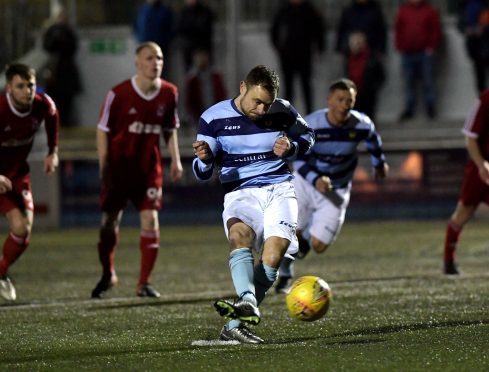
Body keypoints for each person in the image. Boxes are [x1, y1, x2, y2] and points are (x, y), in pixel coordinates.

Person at [192, 65, 314, 343]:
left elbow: (308, 137)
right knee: (239, 236)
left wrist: (292, 148)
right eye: (256, 101)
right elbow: (200, 173)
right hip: (240, 192)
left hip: (279, 189)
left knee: (273, 255)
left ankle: (234, 322)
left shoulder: (282, 110)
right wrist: (206, 159)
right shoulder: (212, 118)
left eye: (266, 104)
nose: (261, 110)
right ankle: (247, 300)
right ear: (242, 87)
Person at [275, 79, 388, 293]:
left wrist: (379, 163)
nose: (345, 105)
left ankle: (303, 240)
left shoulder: (360, 124)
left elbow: (373, 139)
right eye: (340, 100)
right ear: (329, 101)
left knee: (318, 245)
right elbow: (297, 159)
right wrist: (316, 178)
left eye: (350, 101)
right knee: (290, 231)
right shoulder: (312, 125)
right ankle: (285, 274)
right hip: (306, 183)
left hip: (337, 189)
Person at [91, 41, 183, 299]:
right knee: (109, 222)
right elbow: (103, 130)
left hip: (147, 170)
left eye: (160, 58)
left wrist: (175, 159)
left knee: (150, 220)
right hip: (118, 170)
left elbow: (169, 129)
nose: (156, 63)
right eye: (150, 58)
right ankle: (108, 273)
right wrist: (104, 164)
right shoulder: (118, 94)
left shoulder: (169, 93)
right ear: (137, 62)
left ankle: (144, 283)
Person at [0, 63, 59, 301]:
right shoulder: (1, 110)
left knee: (23, 230)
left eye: (30, 85)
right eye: (20, 86)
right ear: (9, 88)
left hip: (16, 176)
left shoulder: (42, 105)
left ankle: (1, 272)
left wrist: (52, 152)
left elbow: (53, 116)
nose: (27, 91)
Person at [443, 89, 489, 275]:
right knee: (464, 212)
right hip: (481, 168)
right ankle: (448, 261)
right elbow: (470, 137)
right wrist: (481, 164)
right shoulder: (485, 100)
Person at [270, 0, 325, 113]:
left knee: (306, 88)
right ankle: (287, 117)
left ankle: (310, 115)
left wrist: (320, 48)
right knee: (288, 89)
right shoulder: (284, 10)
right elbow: (274, 30)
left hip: (305, 56)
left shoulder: (309, 10)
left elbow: (319, 30)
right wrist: (279, 48)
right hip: (287, 57)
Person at [394, 0, 442, 121]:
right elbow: (398, 29)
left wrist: (431, 47)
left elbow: (435, 29)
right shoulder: (403, 11)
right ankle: (409, 108)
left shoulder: (429, 10)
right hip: (408, 52)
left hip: (424, 53)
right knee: (408, 82)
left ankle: (430, 107)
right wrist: (400, 46)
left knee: (428, 81)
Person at [42, 7, 82, 127]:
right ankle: (56, 121)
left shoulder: (68, 32)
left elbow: (72, 48)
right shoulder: (52, 31)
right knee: (55, 99)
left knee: (66, 101)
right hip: (55, 70)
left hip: (65, 71)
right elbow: (47, 46)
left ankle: (65, 121)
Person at [345, 31, 385, 122]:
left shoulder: (372, 57)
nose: (356, 46)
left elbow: (381, 75)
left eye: (359, 43)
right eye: (354, 43)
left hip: (368, 94)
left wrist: (374, 88)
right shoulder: (347, 58)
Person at [184, 49, 227, 126]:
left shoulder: (215, 75)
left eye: (204, 57)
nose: (202, 60)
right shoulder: (192, 79)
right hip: (200, 115)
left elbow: (222, 93)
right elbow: (189, 99)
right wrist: (192, 115)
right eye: (199, 58)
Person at [134, 0, 174, 76]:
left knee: (160, 74)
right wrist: (140, 38)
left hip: (161, 47)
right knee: (144, 73)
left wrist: (165, 40)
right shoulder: (142, 10)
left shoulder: (165, 10)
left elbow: (171, 28)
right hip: (145, 47)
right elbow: (136, 26)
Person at [457, 0, 489, 94]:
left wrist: (483, 29)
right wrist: (466, 29)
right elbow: (460, 23)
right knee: (480, 78)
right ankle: (483, 103)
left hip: (486, 42)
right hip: (474, 46)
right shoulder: (464, 4)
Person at [175, 0, 215, 72]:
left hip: (202, 50)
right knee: (189, 76)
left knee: (203, 76)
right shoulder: (183, 12)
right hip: (188, 50)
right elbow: (179, 29)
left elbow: (205, 30)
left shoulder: (205, 12)